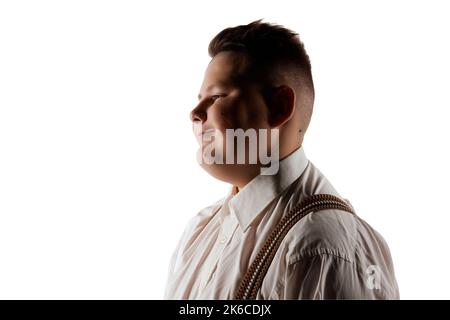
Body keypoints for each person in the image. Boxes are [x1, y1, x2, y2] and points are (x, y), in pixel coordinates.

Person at [164, 19, 400, 299]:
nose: (195, 112)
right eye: (200, 98)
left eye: (217, 96)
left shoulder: (321, 246)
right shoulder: (199, 229)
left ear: (279, 107)